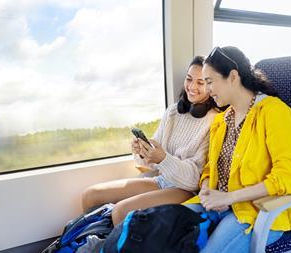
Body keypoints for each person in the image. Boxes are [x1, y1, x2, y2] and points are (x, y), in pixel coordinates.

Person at [184, 46, 291, 253]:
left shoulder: (272, 112)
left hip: (260, 211)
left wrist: (229, 198)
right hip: (217, 204)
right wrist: (207, 190)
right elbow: (210, 168)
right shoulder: (221, 121)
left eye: (209, 82)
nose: (207, 90)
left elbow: (290, 175)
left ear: (233, 76)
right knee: (167, 230)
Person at [82, 56, 220, 225]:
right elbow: (152, 163)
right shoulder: (173, 112)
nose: (192, 87)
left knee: (121, 212)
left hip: (187, 190)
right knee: (91, 195)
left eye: (200, 82)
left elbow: (193, 180)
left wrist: (163, 159)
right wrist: (142, 151)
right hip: (162, 180)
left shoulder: (214, 120)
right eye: (189, 79)